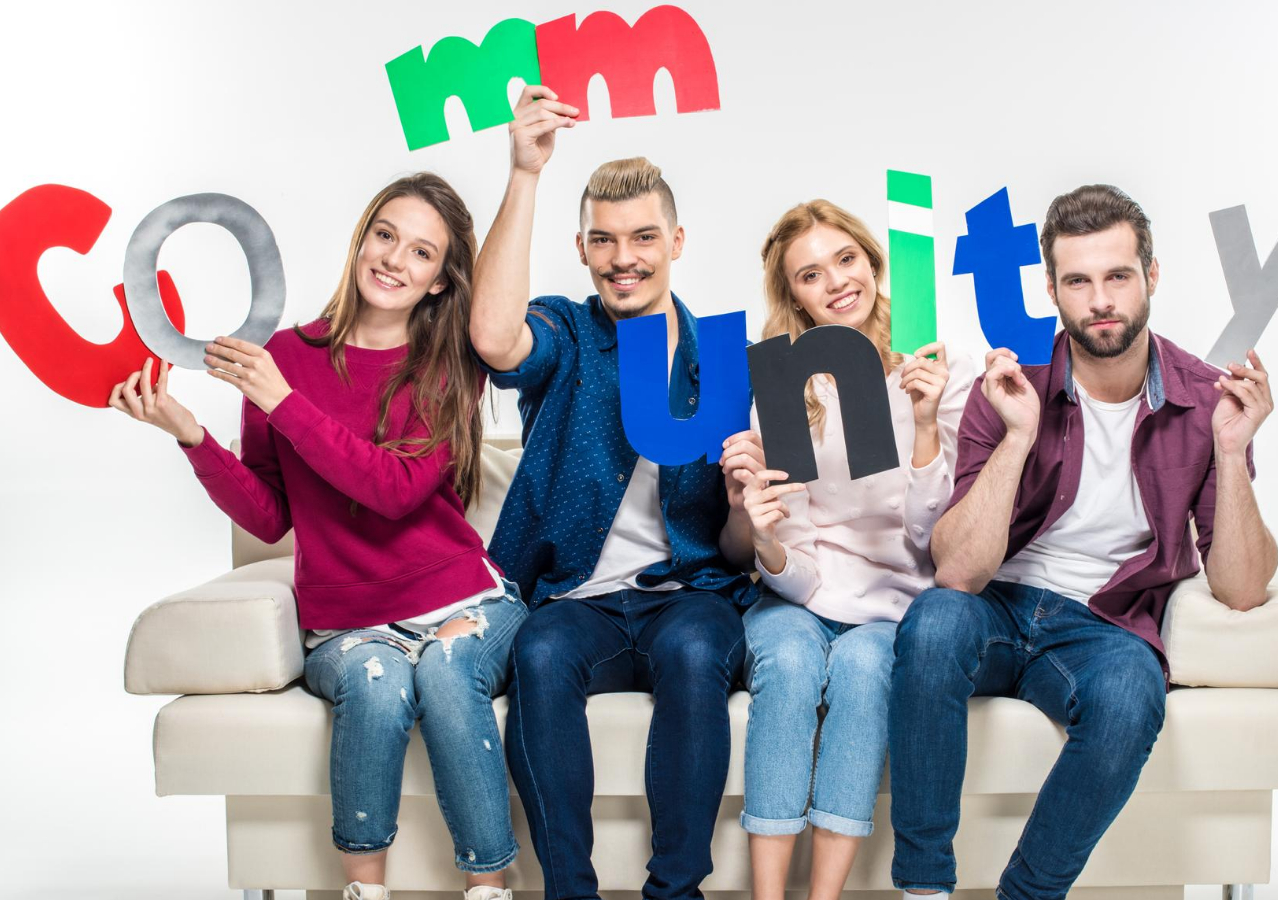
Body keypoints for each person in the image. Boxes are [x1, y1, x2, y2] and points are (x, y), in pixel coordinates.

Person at [109, 174, 526, 900]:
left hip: (461, 598)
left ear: (437, 282)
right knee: (377, 683)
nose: (394, 259)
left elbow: (392, 492)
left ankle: (487, 887)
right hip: (346, 624)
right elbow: (272, 516)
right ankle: (364, 890)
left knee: (446, 673)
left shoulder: (443, 364)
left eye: (421, 253)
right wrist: (191, 436)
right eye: (386, 235)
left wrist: (281, 399)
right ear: (362, 237)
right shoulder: (284, 356)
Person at [889, 184, 1278, 900]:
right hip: (997, 605)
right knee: (934, 621)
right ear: (1052, 290)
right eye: (1078, 281)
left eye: (1118, 276)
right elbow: (959, 572)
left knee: (1135, 693)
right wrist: (1018, 435)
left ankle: (1027, 895)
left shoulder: (1203, 398)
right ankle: (923, 888)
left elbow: (1243, 587)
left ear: (1151, 278)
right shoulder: (1010, 385)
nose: (1100, 300)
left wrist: (1230, 452)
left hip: (1105, 624)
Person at [467, 85, 759, 900]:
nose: (622, 257)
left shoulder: (723, 364)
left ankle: (676, 890)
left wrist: (742, 510)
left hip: (688, 595)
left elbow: (737, 550)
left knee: (701, 649)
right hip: (575, 599)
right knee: (540, 652)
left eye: (641, 238)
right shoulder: (565, 331)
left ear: (676, 240)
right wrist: (525, 172)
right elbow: (492, 338)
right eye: (603, 240)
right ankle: (570, 889)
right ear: (584, 247)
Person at [733, 200, 974, 900]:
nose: (836, 281)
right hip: (800, 597)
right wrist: (768, 540)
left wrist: (926, 426)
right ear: (794, 296)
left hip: (896, 602)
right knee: (788, 660)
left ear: (872, 260)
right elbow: (794, 564)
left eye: (846, 259)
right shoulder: (783, 388)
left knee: (867, 672)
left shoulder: (936, 367)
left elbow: (938, 539)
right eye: (810, 274)